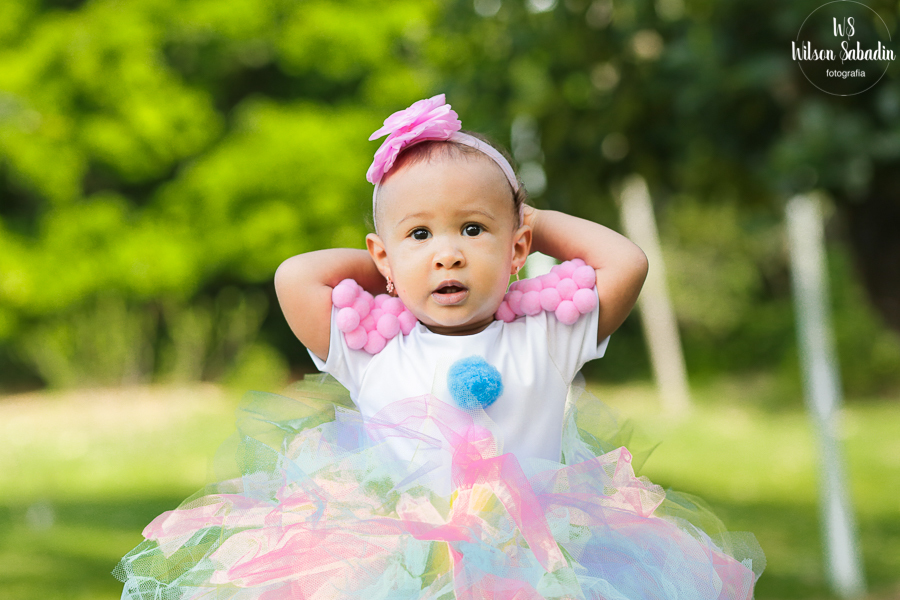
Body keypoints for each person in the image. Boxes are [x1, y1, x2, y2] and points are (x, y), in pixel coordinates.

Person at [115, 94, 764, 599]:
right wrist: (395, 271)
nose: (448, 251)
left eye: (473, 229)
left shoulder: (542, 334)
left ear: (517, 246)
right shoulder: (372, 343)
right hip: (405, 566)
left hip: (531, 565)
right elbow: (296, 275)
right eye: (420, 233)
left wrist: (529, 229)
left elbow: (624, 261)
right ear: (383, 255)